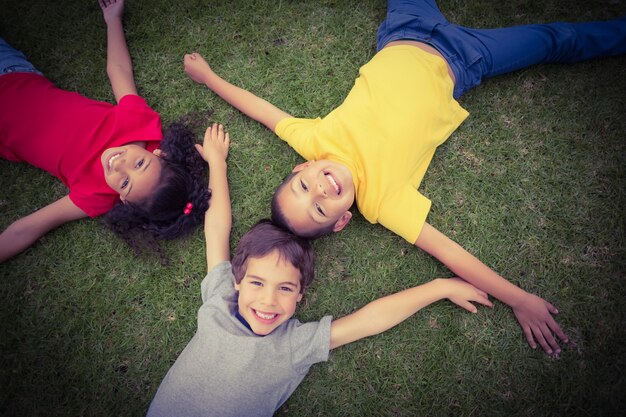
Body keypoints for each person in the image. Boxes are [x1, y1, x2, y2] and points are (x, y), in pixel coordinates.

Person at [182, 0, 625, 357]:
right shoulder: (382, 202)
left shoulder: (315, 140)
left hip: (404, 31)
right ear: (341, 220)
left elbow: (260, 109)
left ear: (301, 167)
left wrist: (209, 77)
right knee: (556, 39)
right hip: (466, 61)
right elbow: (451, 253)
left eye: (304, 185)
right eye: (320, 207)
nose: (319, 189)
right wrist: (519, 299)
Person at [146, 122, 491, 417]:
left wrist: (440, 287)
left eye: (284, 288)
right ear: (237, 281)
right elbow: (216, 230)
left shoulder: (292, 345)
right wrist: (217, 164)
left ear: (300, 295)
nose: (268, 302)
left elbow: (367, 322)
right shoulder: (220, 301)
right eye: (257, 282)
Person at [0, 0, 209, 263]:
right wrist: (112, 19)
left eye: (125, 182)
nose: (119, 164)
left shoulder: (95, 196)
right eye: (140, 163)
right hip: (12, 75)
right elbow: (119, 71)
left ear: (124, 201)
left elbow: (27, 229)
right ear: (159, 152)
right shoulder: (138, 124)